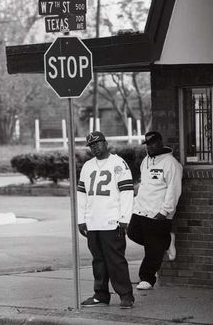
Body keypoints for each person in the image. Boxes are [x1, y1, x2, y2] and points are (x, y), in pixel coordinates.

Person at [77, 131, 135, 309]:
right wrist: (81, 219)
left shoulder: (118, 163)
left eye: (97, 143)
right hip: (93, 221)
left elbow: (127, 192)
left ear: (105, 142)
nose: (95, 147)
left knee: (116, 260)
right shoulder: (87, 166)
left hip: (112, 221)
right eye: (91, 145)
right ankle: (101, 295)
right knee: (98, 261)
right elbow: (81, 195)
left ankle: (126, 295)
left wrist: (125, 218)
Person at [127, 131, 183, 290]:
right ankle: (166, 240)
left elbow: (174, 190)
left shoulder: (171, 163)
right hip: (141, 209)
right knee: (133, 233)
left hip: (159, 213)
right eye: (147, 144)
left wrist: (165, 212)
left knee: (152, 246)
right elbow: (145, 185)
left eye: (152, 143)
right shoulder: (146, 160)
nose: (150, 147)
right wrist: (135, 204)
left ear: (160, 142)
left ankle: (147, 278)